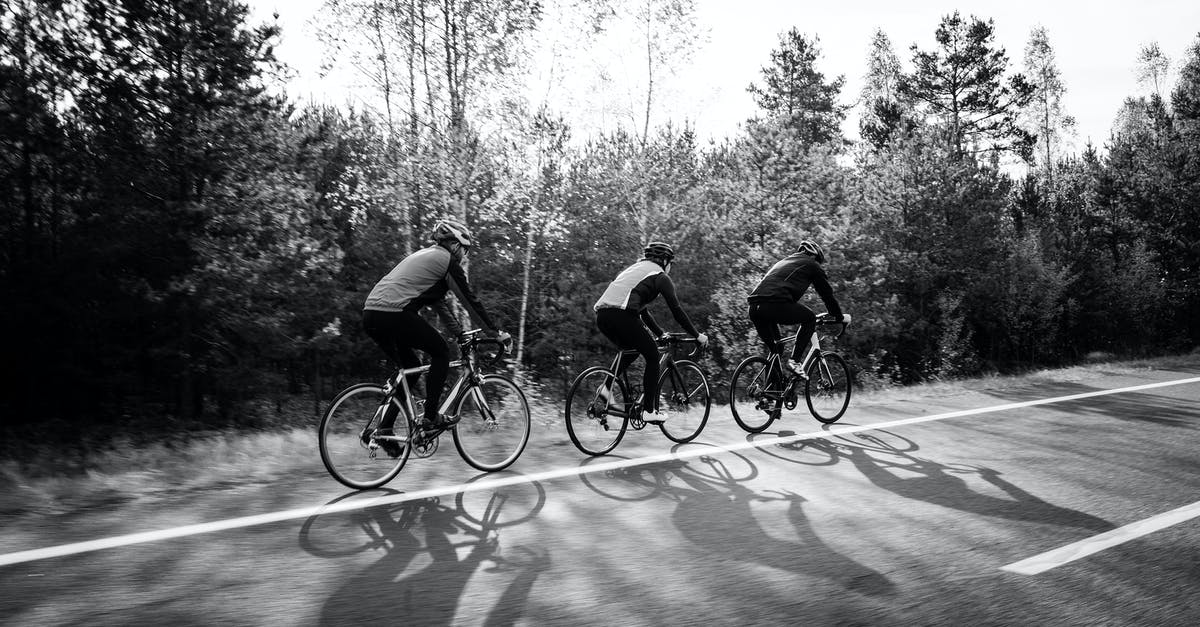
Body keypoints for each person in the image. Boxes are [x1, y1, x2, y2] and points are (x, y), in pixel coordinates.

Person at [362, 217, 508, 447]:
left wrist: (460, 334)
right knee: (440, 351)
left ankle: (384, 430)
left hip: (371, 313)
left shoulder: (427, 257)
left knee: (410, 369)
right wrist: (495, 331)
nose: (464, 256)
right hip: (394, 313)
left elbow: (440, 304)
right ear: (455, 245)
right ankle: (430, 418)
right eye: (465, 250)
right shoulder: (446, 260)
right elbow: (469, 300)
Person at [593, 241, 708, 424]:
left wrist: (660, 333)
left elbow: (643, 311)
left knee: (630, 348)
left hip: (603, 316)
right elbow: (677, 311)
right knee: (653, 356)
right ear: (664, 260)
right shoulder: (661, 276)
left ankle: (606, 389)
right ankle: (649, 410)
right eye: (670, 262)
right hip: (621, 315)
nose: (670, 267)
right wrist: (697, 335)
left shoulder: (635, 270)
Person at [747, 239, 843, 380]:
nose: (817, 263)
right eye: (817, 260)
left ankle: (770, 394)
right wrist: (837, 316)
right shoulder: (812, 265)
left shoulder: (784, 262)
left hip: (754, 307)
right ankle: (795, 361)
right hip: (774, 303)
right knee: (809, 318)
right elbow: (826, 294)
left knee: (776, 348)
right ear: (814, 256)